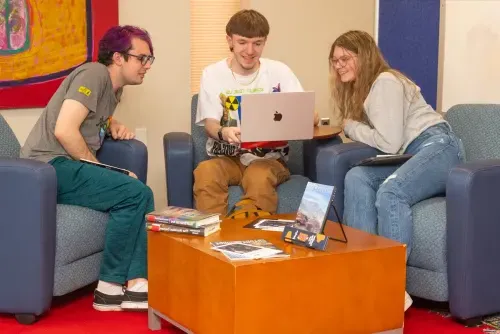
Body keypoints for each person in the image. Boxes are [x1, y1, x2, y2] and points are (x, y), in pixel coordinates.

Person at [20, 25, 156, 312]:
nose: (147, 66)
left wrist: (112, 123)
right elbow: (65, 131)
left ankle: (134, 284)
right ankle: (110, 286)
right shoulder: (94, 73)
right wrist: (104, 170)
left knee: (136, 193)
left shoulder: (113, 89)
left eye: (149, 59)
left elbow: (90, 118)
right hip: (47, 168)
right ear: (118, 58)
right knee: (134, 192)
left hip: (61, 168)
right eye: (141, 58)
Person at [329, 30, 464, 311]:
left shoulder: (385, 81)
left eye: (345, 58)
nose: (339, 65)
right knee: (356, 177)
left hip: (438, 146)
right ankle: (360, 276)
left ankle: (390, 285)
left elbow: (389, 143)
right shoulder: (366, 90)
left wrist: (350, 126)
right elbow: (394, 144)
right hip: (411, 154)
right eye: (334, 60)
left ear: (363, 56)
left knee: (392, 191)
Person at [194, 9, 319, 218]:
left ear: (265, 42)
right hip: (227, 158)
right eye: (242, 42)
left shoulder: (280, 71)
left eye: (258, 43)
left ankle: (249, 232)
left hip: (268, 159)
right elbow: (210, 124)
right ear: (230, 40)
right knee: (205, 171)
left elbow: (308, 112)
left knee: (259, 176)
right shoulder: (212, 74)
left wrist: (309, 116)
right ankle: (211, 233)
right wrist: (224, 132)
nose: (250, 51)